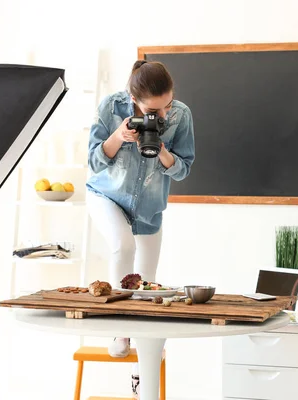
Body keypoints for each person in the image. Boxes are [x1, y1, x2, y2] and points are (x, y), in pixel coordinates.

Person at [85, 60, 195, 396]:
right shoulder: (111, 106)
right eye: (152, 110)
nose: (161, 116)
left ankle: (140, 380)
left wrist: (161, 150)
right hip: (106, 195)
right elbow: (93, 160)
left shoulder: (181, 115)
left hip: (149, 209)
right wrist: (118, 136)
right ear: (134, 99)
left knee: (147, 291)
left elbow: (184, 169)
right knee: (123, 247)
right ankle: (119, 329)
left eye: (166, 107)